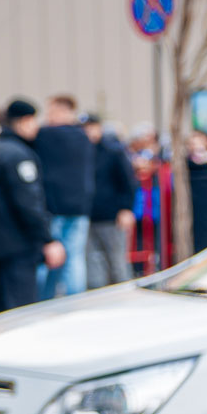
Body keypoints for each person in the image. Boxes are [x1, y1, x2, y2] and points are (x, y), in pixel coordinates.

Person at [0, 99, 66, 314]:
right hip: (18, 243)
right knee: (21, 310)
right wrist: (47, 239)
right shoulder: (18, 155)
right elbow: (28, 203)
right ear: (24, 121)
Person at [33, 94, 93, 298]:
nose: (47, 116)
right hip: (80, 208)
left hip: (54, 208)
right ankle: (75, 301)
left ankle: (42, 301)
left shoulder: (46, 135)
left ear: (61, 110)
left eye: (50, 111)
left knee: (48, 258)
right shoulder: (83, 137)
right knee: (74, 258)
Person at [84, 114, 138, 288]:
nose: (88, 131)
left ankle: (125, 296)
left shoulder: (113, 151)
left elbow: (128, 181)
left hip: (112, 216)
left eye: (91, 126)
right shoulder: (81, 152)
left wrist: (126, 208)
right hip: (88, 216)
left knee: (117, 264)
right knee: (93, 267)